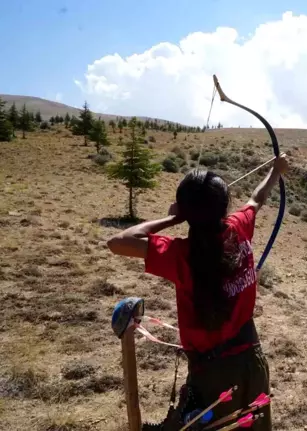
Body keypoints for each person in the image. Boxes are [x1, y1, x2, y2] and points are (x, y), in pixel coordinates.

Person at [107, 153, 289, 430]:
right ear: (224, 207)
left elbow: (119, 241)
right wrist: (277, 170)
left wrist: (172, 219)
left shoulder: (179, 254)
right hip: (253, 363)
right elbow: (257, 198)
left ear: (186, 211)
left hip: (212, 375)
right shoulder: (238, 228)